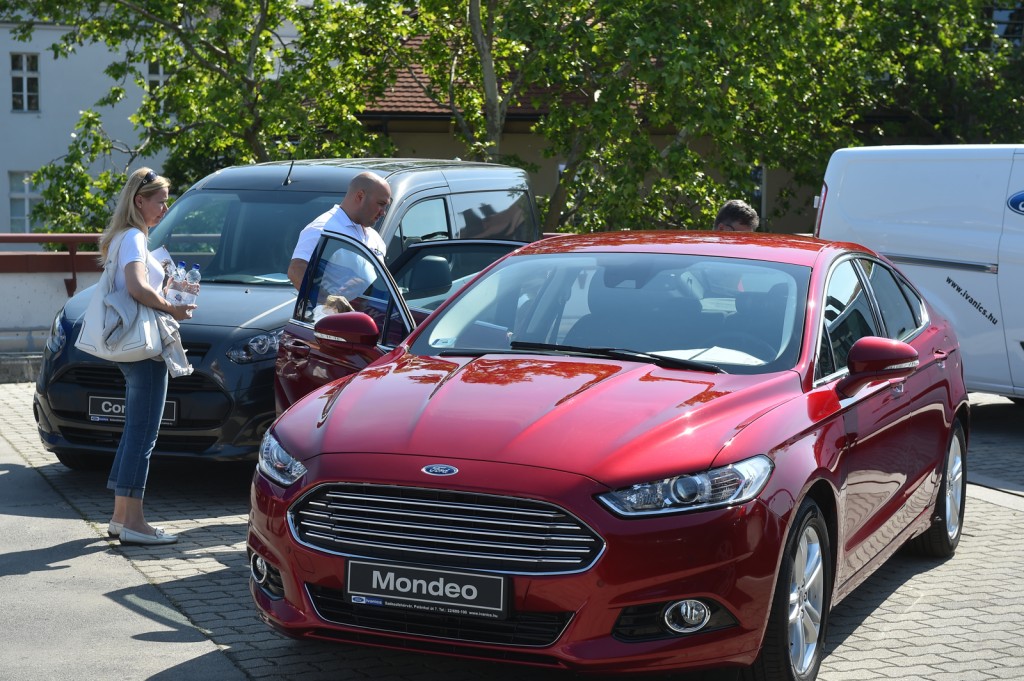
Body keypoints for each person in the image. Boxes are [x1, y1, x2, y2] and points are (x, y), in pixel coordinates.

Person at [98, 167, 195, 546]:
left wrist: (168, 290)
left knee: (134, 431)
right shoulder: (135, 238)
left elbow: (134, 286)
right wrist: (173, 309)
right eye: (161, 201)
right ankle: (135, 523)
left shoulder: (123, 237)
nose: (165, 208)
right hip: (145, 349)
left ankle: (120, 518)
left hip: (129, 345)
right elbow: (137, 287)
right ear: (140, 201)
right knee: (143, 435)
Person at [287, 172, 392, 289]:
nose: (383, 212)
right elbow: (297, 270)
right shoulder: (323, 228)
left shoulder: (375, 237)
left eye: (386, 206)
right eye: (381, 204)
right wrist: (328, 298)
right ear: (360, 196)